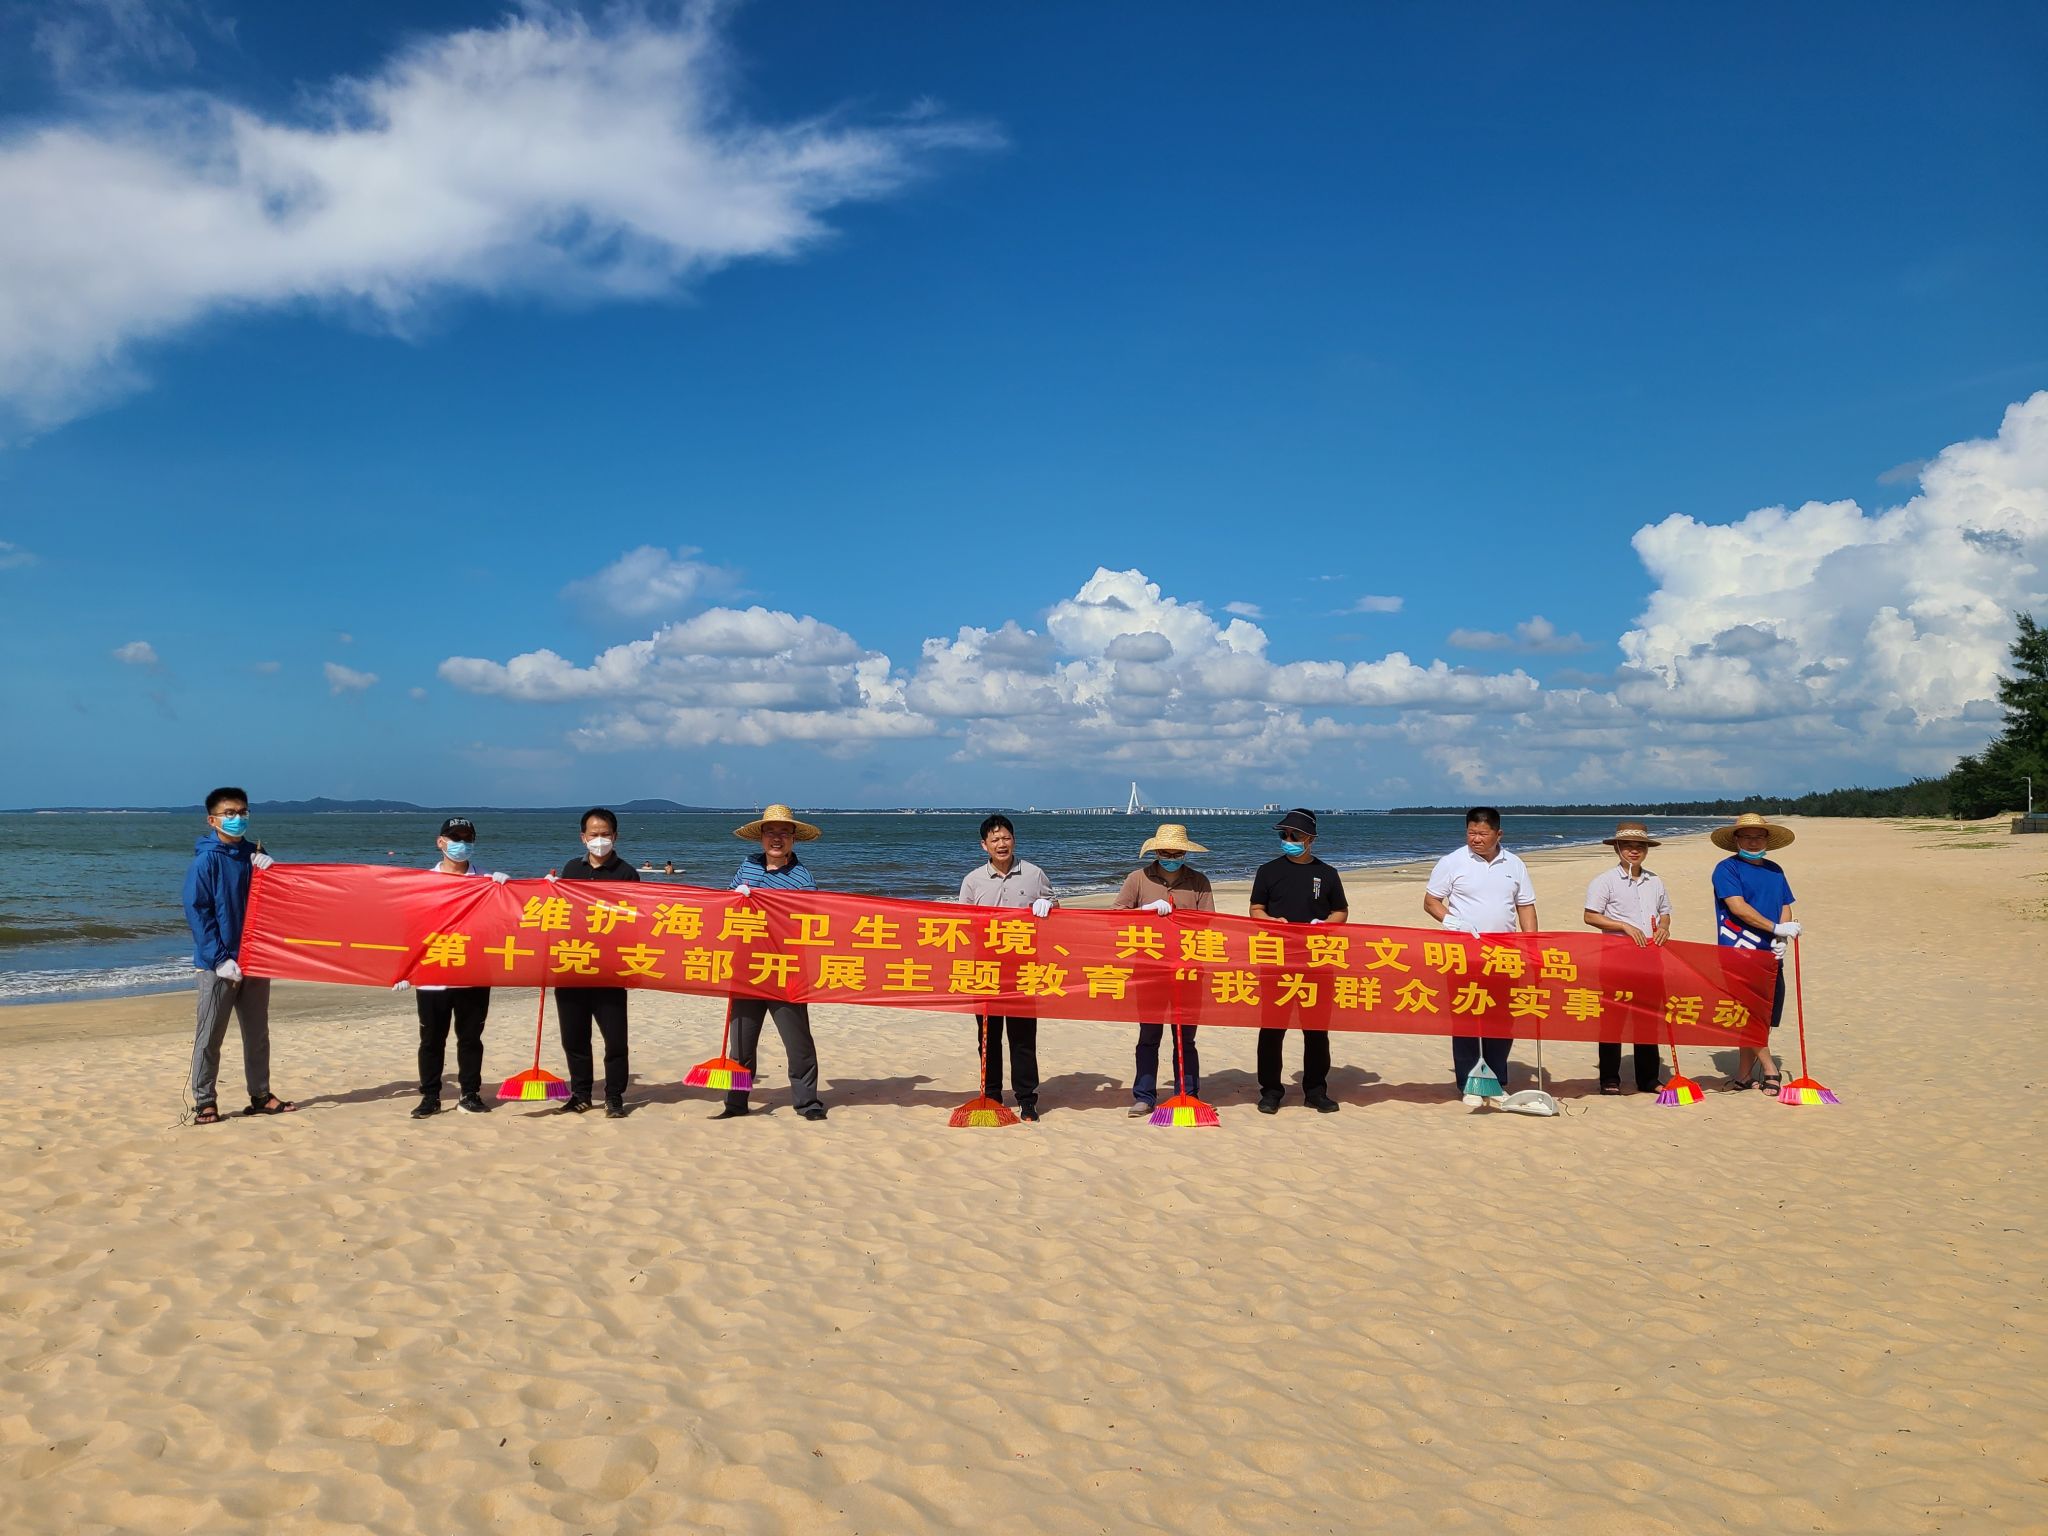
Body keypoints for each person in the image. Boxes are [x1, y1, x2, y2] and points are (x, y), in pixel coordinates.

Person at [181, 787, 295, 1124]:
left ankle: (260, 1094)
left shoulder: (255, 853)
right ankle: (205, 1101)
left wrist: (272, 871)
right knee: (210, 1035)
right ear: (212, 820)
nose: (237, 818)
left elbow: (276, 901)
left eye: (243, 812)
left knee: (257, 1032)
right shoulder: (206, 860)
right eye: (229, 813)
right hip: (218, 964)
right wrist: (218, 958)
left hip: (255, 958)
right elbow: (198, 911)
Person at [715, 804, 828, 1123]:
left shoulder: (803, 878)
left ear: (794, 838)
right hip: (747, 966)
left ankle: (807, 1102)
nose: (776, 838)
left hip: (786, 968)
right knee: (741, 1041)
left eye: (784, 832)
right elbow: (727, 905)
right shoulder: (747, 866)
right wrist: (735, 896)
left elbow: (811, 922)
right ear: (761, 836)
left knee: (797, 1040)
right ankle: (736, 1101)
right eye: (770, 832)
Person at [1423, 807, 1537, 1099]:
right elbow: (1431, 901)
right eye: (1471, 833)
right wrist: (1452, 921)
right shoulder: (1452, 862)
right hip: (1464, 953)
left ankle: (1496, 1080)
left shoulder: (1515, 864)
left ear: (1498, 834)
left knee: (1502, 1018)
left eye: (1483, 834)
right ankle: (1469, 1083)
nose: (1476, 839)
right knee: (1466, 1015)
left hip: (1505, 954)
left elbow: (1525, 906)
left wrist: (1532, 945)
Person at [405, 817, 510, 1118]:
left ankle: (470, 1093)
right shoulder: (424, 882)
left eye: (467, 838)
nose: (461, 844)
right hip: (433, 973)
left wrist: (508, 889)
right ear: (440, 842)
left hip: (473, 972)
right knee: (431, 1039)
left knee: (470, 1038)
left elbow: (508, 920)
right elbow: (409, 926)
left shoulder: (488, 881)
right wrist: (404, 970)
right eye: (455, 838)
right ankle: (430, 1096)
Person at [1111, 823, 1216, 1117]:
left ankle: (1188, 1093)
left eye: (1177, 853)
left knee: (1185, 1037)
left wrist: (1185, 921)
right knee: (1149, 1035)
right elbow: (1116, 916)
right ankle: (1144, 1096)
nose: (1171, 858)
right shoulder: (1138, 879)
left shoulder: (1199, 881)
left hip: (1188, 969)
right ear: (1156, 852)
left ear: (1185, 853)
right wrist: (1143, 912)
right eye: (1166, 853)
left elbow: (1210, 923)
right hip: (1148, 969)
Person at [957, 814, 1057, 1121]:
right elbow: (961, 923)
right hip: (985, 968)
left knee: (1023, 1035)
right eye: (995, 839)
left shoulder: (1034, 874)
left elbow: (1055, 908)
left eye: (1006, 838)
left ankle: (1027, 1098)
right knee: (988, 1035)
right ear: (984, 845)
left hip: (1024, 967)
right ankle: (991, 1095)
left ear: (1014, 840)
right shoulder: (973, 880)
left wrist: (1048, 905)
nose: (1001, 844)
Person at [1249, 808, 1348, 1114]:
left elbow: (1341, 911)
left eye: (1295, 835)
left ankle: (1316, 1091)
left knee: (1316, 1029)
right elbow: (1256, 909)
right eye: (1285, 834)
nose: (1288, 839)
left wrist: (1325, 925)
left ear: (1311, 839)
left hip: (1317, 961)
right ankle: (1271, 1091)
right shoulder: (1267, 871)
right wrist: (1271, 922)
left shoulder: (1327, 873)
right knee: (1272, 1028)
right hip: (1276, 960)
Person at [554, 807, 641, 1118]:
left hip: (609, 969)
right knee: (574, 1037)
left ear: (615, 836)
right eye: (594, 834)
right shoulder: (570, 869)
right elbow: (560, 913)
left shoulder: (627, 873)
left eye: (605, 834)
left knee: (615, 1039)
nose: (599, 840)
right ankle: (580, 1094)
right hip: (572, 964)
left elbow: (636, 919)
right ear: (583, 837)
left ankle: (614, 1096)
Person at [1710, 811, 1799, 1092]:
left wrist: (1782, 935)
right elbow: (1738, 907)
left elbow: (1785, 904)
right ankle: (1770, 1068)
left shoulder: (1775, 870)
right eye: (1746, 836)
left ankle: (1744, 1074)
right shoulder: (1727, 869)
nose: (1752, 841)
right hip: (1739, 951)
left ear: (1766, 840)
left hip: (1771, 953)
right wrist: (1775, 927)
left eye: (1758, 836)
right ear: (1736, 839)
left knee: (1764, 1014)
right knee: (1745, 1013)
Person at [1582, 820, 1671, 1095]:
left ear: (1647, 849)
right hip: (1615, 961)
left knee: (1647, 1019)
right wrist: (1623, 926)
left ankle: (1649, 1078)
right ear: (1617, 848)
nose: (1634, 851)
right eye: (1628, 846)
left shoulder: (1655, 881)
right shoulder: (1604, 881)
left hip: (1649, 960)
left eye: (1640, 846)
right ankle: (1610, 1078)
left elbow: (1665, 912)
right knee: (1613, 1019)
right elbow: (1590, 916)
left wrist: (1664, 928)